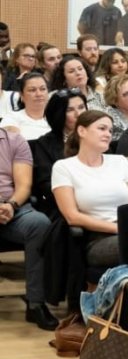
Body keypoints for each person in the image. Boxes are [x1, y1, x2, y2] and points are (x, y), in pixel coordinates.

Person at [51, 110, 128, 267]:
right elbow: (72, 216)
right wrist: (118, 228)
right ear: (82, 131)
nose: (108, 134)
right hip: (96, 237)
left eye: (110, 131)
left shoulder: (120, 161)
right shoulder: (64, 167)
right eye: (102, 128)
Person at [0, 124, 55, 328]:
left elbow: (24, 185)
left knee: (39, 223)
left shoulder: (14, 141)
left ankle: (36, 303)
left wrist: (11, 205)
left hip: (12, 208)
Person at [31, 89, 88, 208]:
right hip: (64, 203)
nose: (78, 114)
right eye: (70, 110)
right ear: (58, 114)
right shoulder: (44, 144)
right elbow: (46, 184)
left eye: (81, 107)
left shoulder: (97, 136)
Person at [1, 73, 51, 140]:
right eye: (32, 90)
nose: (39, 94)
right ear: (22, 95)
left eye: (43, 89)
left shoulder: (57, 118)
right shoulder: (12, 118)